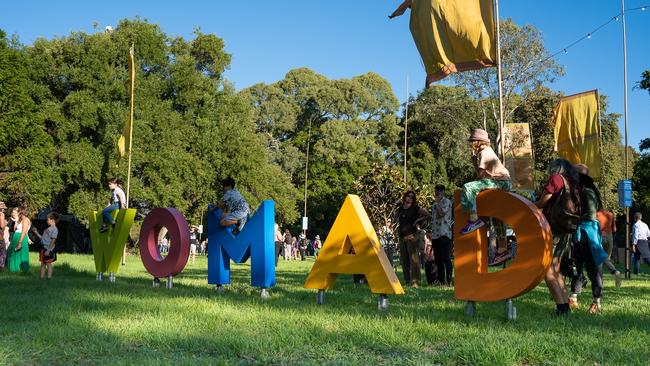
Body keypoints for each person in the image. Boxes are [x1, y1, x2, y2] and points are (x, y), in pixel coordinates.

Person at [535, 159, 579, 316]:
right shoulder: (571, 182)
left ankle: (561, 308)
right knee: (555, 268)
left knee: (547, 270)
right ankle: (565, 305)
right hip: (565, 230)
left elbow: (542, 201)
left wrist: (532, 204)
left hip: (552, 230)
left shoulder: (556, 179)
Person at [568, 164, 608, 314]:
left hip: (588, 233)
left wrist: (572, 218)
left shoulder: (588, 192)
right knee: (578, 267)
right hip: (580, 232)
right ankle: (573, 298)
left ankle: (596, 302)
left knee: (593, 269)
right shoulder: (579, 192)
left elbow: (590, 215)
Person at [459, 129, 511, 235]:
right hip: (502, 182)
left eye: (472, 142)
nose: (471, 145)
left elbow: (480, 175)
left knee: (468, 187)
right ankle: (502, 249)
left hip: (500, 182)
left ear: (477, 142)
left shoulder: (485, 152)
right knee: (496, 215)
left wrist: (474, 162)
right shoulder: (488, 150)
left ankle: (474, 220)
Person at [397, 191, 430, 288]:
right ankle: (407, 280)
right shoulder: (400, 208)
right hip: (402, 236)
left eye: (412, 197)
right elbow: (397, 218)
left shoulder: (415, 208)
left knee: (414, 260)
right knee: (404, 260)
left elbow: (428, 215)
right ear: (405, 197)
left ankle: (415, 282)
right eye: (408, 196)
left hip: (412, 236)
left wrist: (417, 221)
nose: (410, 198)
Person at [431, 185, 453, 285]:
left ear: (443, 191)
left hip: (444, 234)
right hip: (435, 234)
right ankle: (441, 281)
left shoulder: (446, 202)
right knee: (438, 259)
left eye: (440, 190)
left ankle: (449, 280)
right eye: (437, 190)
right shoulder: (434, 204)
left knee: (446, 258)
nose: (438, 192)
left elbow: (441, 214)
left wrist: (438, 202)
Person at [597, 209, 622, 287]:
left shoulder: (596, 214)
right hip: (609, 237)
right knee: (606, 258)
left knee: (600, 259)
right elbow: (614, 229)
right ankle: (615, 272)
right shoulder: (611, 214)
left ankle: (601, 282)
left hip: (600, 236)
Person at [7, 206, 31, 273]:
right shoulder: (20, 219)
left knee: (21, 253)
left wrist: (20, 242)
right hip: (16, 237)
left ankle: (22, 270)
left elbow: (24, 232)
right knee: (12, 252)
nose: (17, 212)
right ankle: (13, 269)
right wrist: (16, 221)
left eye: (18, 211)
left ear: (22, 212)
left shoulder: (26, 219)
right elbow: (15, 229)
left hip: (21, 237)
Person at [37, 212, 59, 279]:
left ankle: (49, 278)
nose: (47, 221)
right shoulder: (48, 228)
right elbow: (43, 238)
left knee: (48, 264)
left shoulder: (55, 229)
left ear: (52, 220)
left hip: (49, 249)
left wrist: (48, 250)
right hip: (43, 248)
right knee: (43, 263)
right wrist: (36, 233)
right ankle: (41, 278)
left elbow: (53, 240)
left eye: (48, 219)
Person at [0, 202, 7, 270]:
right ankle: (2, 267)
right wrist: (5, 224)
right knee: (2, 251)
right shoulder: (1, 214)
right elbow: (2, 226)